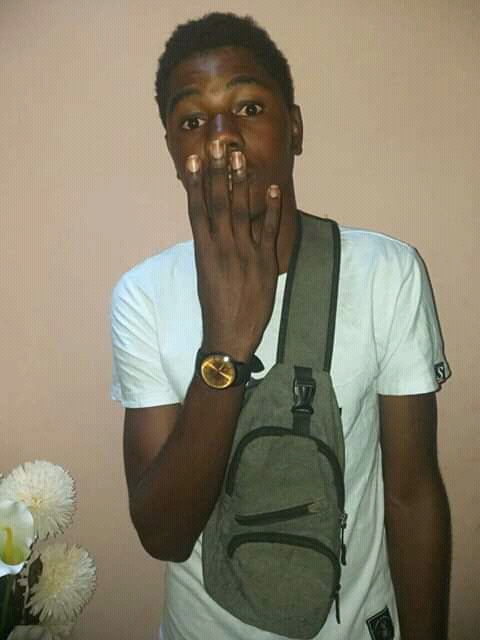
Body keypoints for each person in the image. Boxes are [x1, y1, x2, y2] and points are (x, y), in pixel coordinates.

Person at [111, 12, 451, 640]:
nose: (222, 139)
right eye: (193, 121)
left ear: (294, 128)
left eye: (248, 108)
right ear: (174, 152)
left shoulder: (385, 272)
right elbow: (163, 533)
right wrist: (225, 347)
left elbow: (412, 492)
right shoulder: (144, 295)